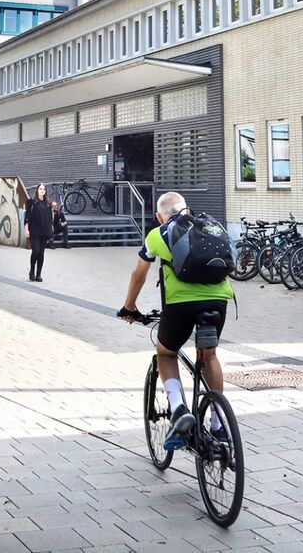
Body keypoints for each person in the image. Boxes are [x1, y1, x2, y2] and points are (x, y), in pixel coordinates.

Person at [119, 192, 234, 449]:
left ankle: (179, 409)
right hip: (219, 302)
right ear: (187, 210)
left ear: (159, 217)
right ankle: (218, 426)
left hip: (181, 305)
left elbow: (138, 276)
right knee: (209, 356)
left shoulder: (157, 235)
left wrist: (129, 307)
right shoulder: (209, 227)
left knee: (166, 353)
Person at [23, 184, 52, 281]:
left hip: (44, 231)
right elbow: (27, 216)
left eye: (44, 189)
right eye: (40, 189)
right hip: (34, 231)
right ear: (37, 190)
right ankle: (32, 271)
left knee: (41, 253)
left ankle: (39, 274)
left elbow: (50, 219)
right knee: (36, 251)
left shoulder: (48, 204)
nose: (42, 190)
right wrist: (26, 228)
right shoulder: (31, 202)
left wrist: (50, 232)